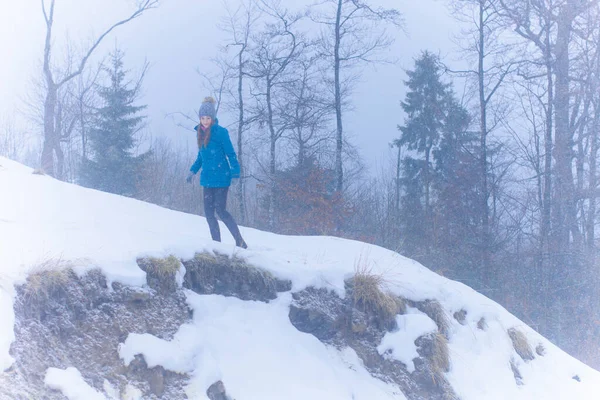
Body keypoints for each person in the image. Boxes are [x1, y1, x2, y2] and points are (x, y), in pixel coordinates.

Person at [186, 97, 248, 249]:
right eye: (202, 118)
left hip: (221, 178)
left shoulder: (221, 132)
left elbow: (231, 154)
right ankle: (216, 245)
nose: (205, 121)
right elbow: (201, 156)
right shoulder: (199, 133)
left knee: (220, 210)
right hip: (207, 179)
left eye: (208, 118)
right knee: (208, 213)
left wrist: (235, 173)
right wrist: (192, 171)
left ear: (212, 118)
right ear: (200, 118)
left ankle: (240, 241)